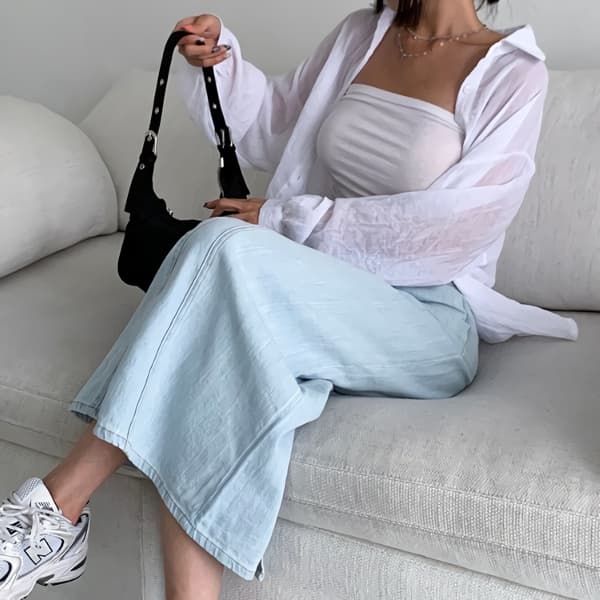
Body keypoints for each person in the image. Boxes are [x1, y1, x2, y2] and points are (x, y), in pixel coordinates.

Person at [0, 1, 578, 599]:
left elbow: (456, 227)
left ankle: (56, 507)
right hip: (316, 292)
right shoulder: (365, 34)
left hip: (426, 316)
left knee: (223, 247)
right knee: (222, 355)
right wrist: (220, 63)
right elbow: (275, 125)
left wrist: (285, 219)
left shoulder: (512, 71)